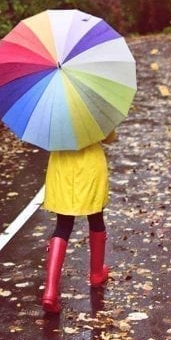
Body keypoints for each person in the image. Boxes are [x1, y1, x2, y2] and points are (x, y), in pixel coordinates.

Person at [41, 130, 117, 314]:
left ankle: (50, 291)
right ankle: (97, 273)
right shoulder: (93, 105)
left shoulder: (53, 109)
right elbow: (109, 137)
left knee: (63, 225)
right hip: (90, 166)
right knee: (96, 217)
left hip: (62, 168)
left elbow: (46, 138)